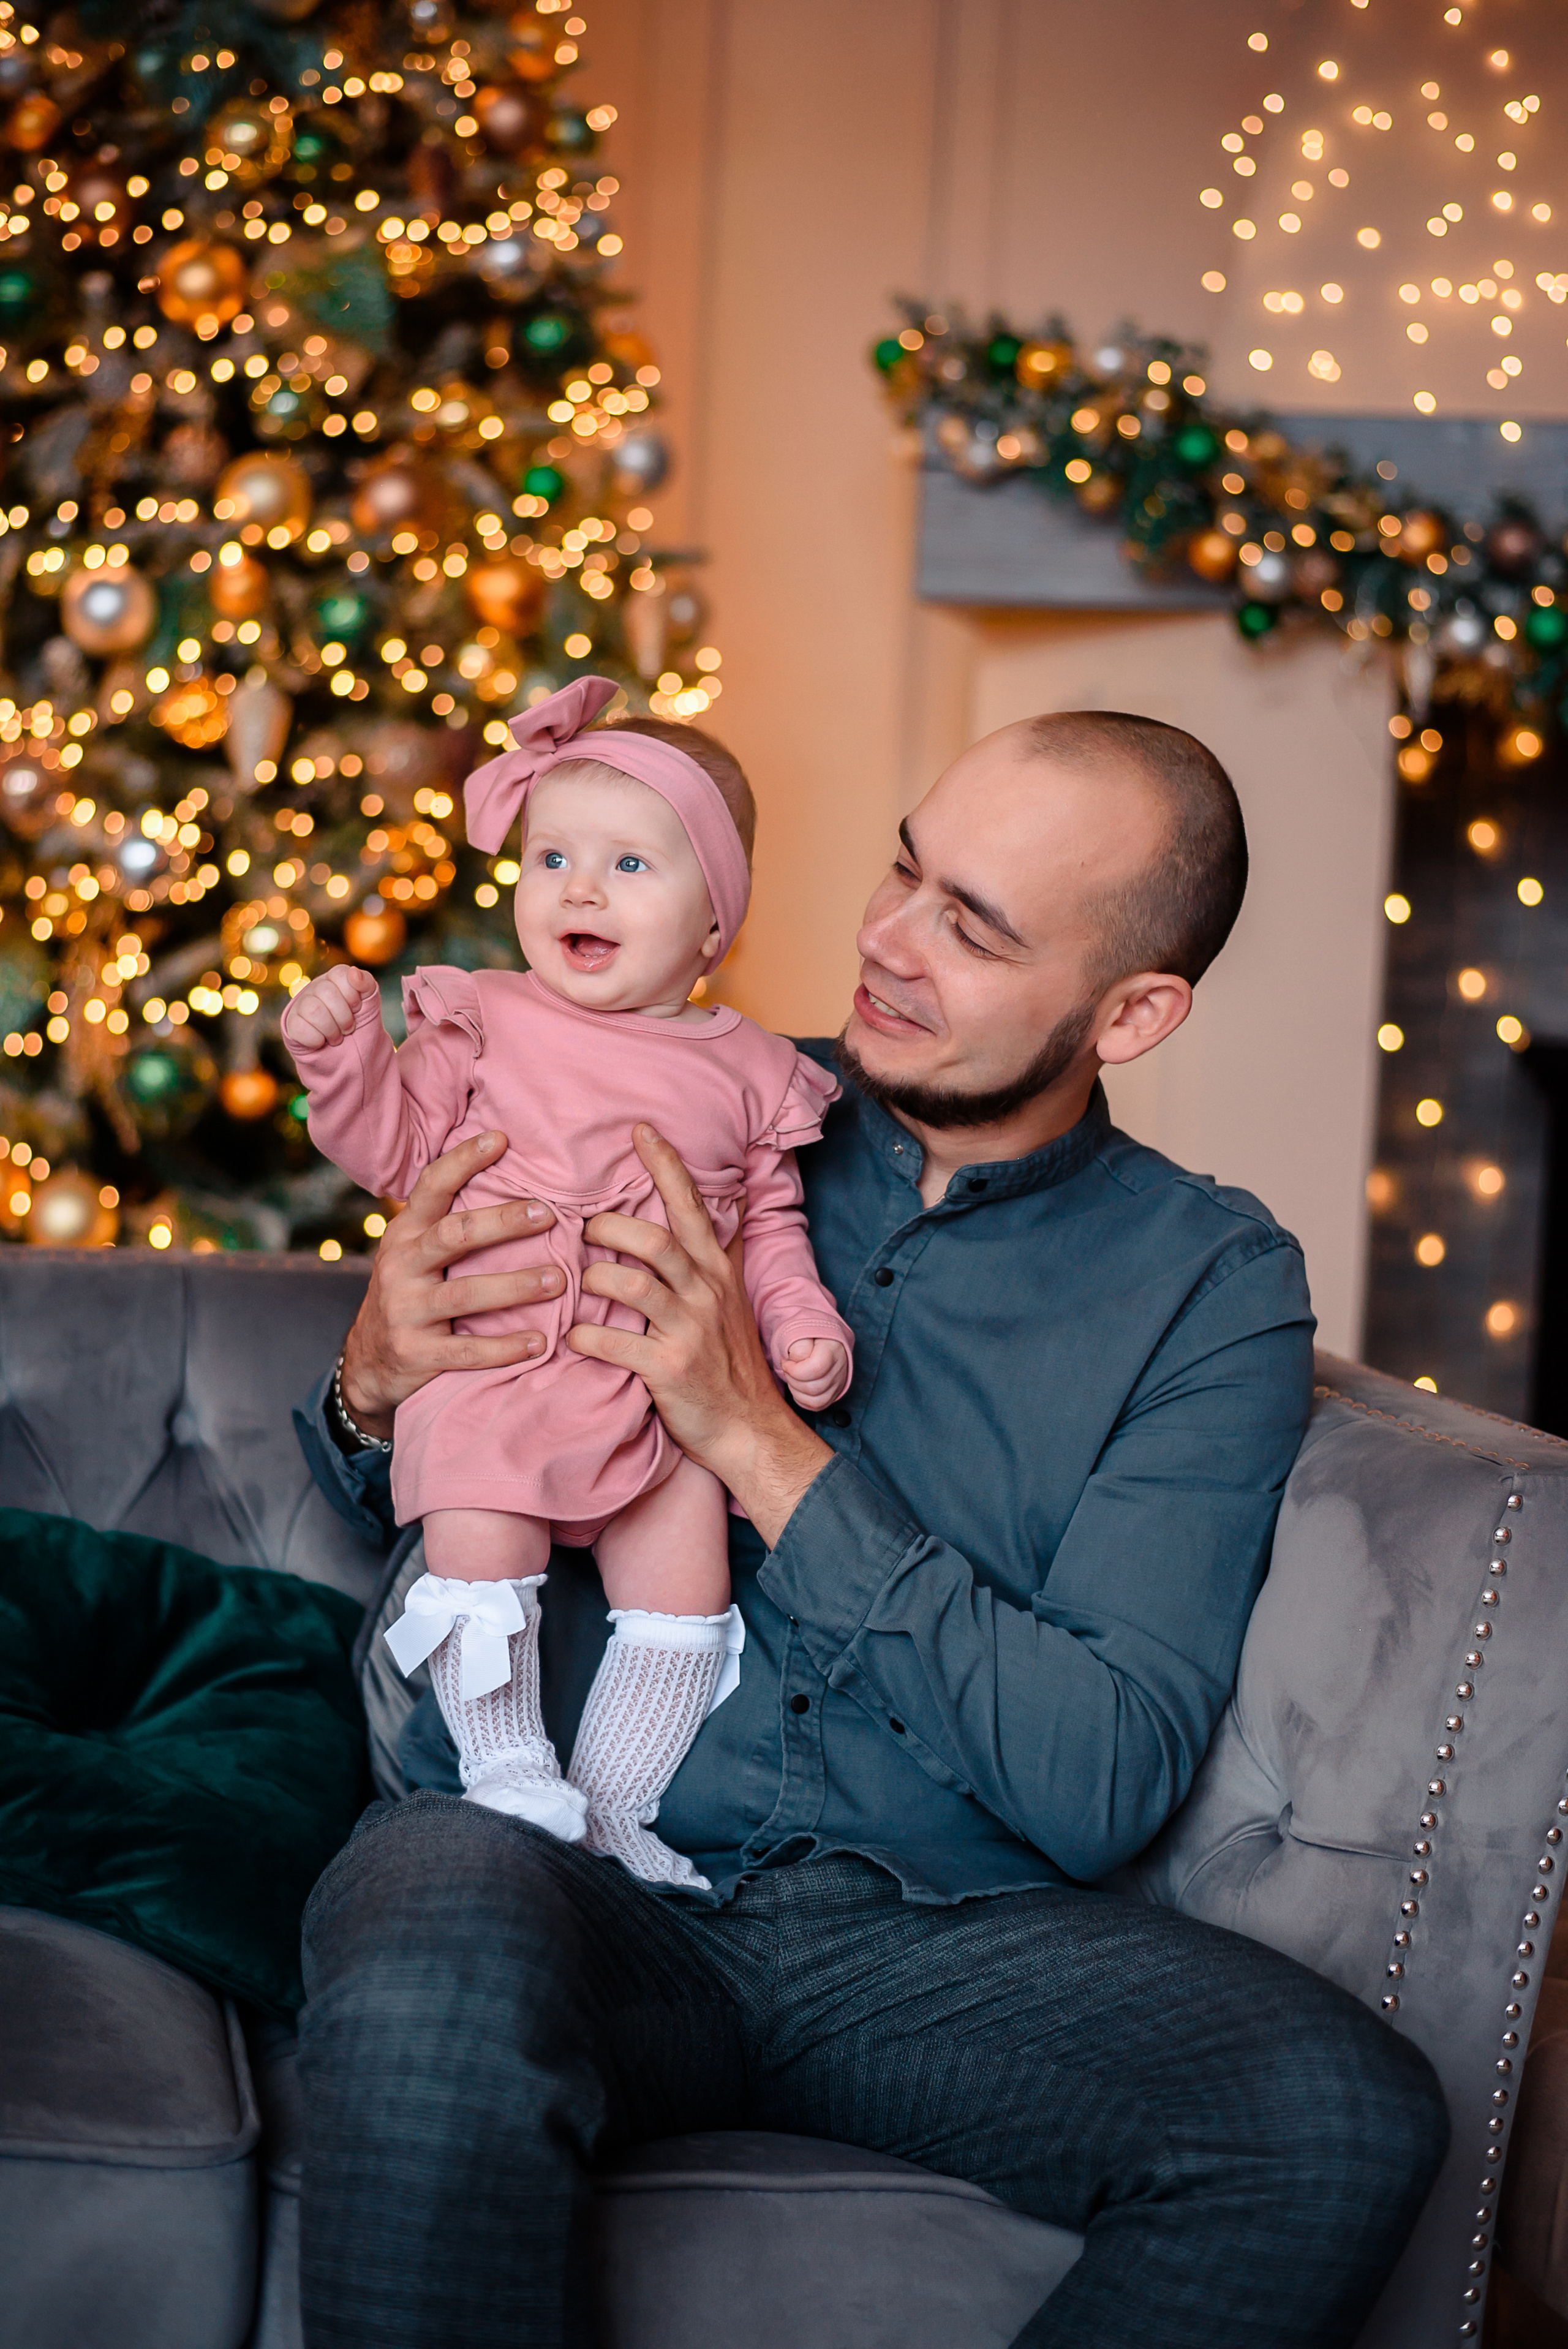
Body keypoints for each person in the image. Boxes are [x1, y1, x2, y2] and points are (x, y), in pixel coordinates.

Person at [294, 708, 1447, 2349]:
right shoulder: (681, 1092)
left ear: (1134, 1009)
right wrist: (369, 1379)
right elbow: (396, 1466)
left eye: (974, 927)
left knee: (1341, 2117)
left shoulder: (1209, 1287)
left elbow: (1099, 1773)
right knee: (432, 1940)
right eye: (908, 868)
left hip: (924, 1944)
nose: (889, 944)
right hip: (568, 1871)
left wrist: (763, 1441)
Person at [282, 677, 851, 1882]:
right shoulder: (481, 1018)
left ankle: (610, 1808)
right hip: (502, 1364)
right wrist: (344, 1057)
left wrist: (798, 1326)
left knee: (685, 1588)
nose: (578, 889)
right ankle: (504, 1769)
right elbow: (391, 1147)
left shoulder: (751, 1070)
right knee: (480, 1542)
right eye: (551, 856)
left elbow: (768, 1232)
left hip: (652, 1402)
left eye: (630, 867)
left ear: (714, 928)